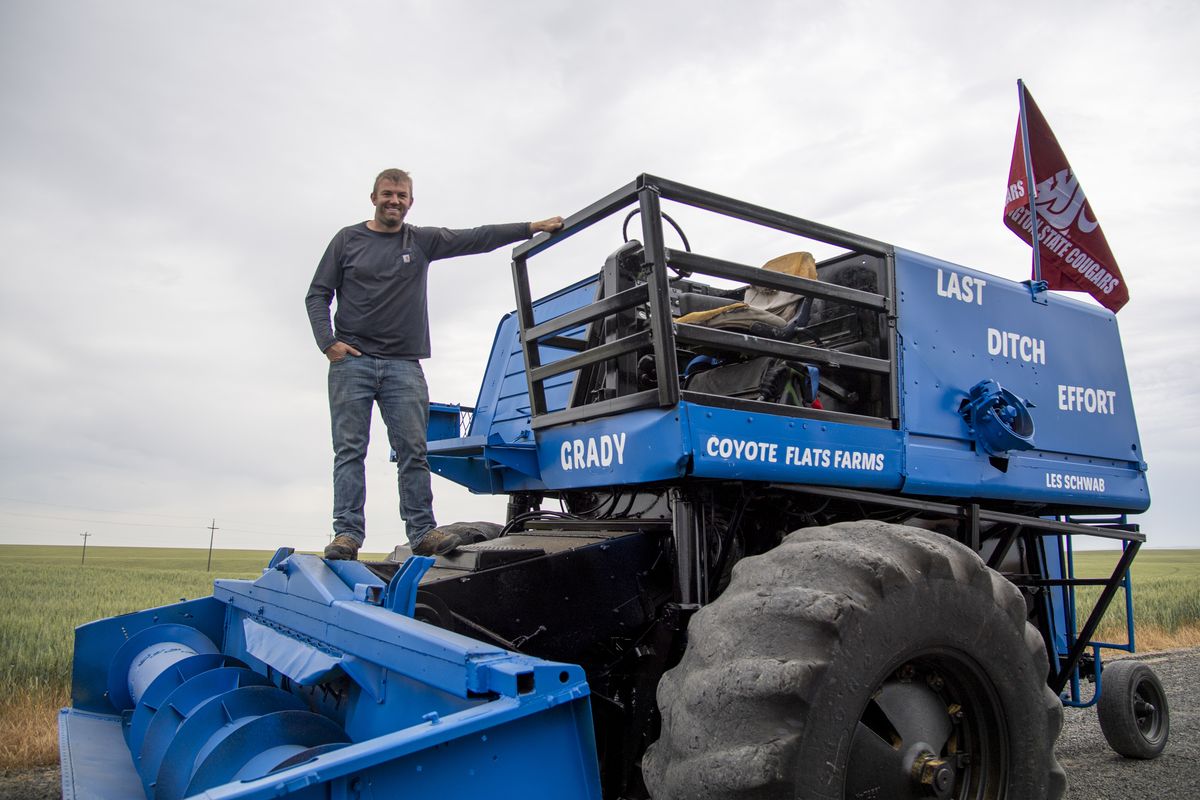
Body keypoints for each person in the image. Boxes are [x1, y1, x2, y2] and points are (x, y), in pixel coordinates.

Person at [306, 168, 563, 560]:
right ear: (373, 197)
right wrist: (329, 344)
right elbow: (317, 294)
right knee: (349, 450)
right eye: (388, 194)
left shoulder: (420, 241)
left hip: (403, 366)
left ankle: (422, 532)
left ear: (410, 202)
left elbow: (477, 237)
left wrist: (530, 227)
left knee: (413, 451)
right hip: (351, 364)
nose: (394, 201)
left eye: (402, 195)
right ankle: (347, 535)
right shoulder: (347, 240)